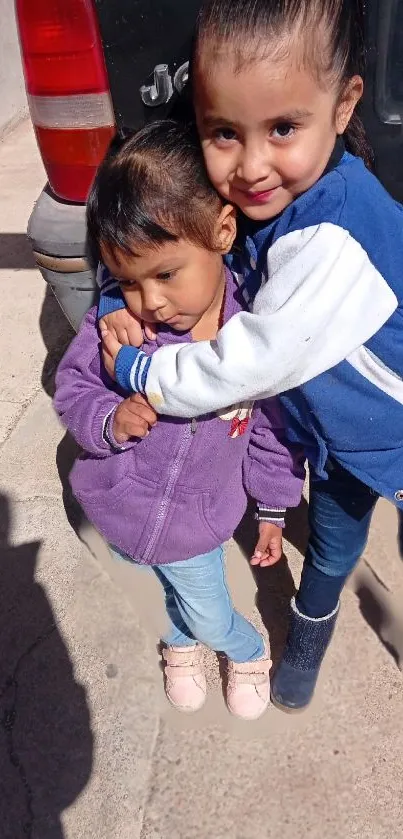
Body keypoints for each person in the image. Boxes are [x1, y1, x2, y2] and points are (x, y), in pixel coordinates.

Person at [97, 0, 403, 713]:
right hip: (326, 439)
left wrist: (139, 369)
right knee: (330, 543)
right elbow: (166, 238)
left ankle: (305, 635)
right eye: (223, 132)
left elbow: (246, 363)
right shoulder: (267, 203)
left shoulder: (335, 233)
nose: (252, 165)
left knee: (333, 544)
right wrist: (122, 299)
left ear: (342, 105)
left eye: (283, 128)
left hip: (383, 436)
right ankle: (312, 626)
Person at [54, 121, 304, 721]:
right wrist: (110, 421)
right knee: (166, 595)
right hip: (121, 508)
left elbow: (272, 433)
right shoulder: (121, 328)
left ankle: (242, 649)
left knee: (209, 604)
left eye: (166, 273)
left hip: (196, 524)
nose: (151, 300)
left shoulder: (253, 344)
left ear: (222, 229)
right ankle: (183, 643)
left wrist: (272, 508)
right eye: (128, 281)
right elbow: (73, 389)